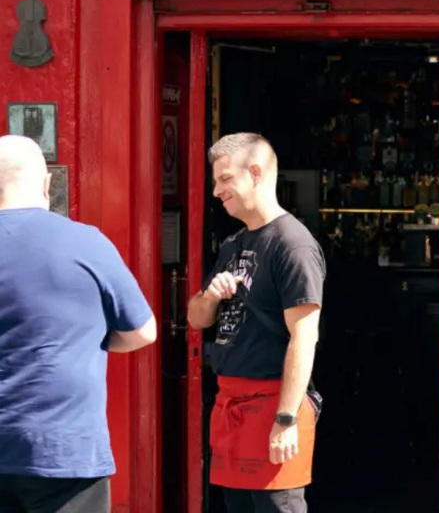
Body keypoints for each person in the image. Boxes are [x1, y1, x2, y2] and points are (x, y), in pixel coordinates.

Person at [0, 135, 157, 513]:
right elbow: (143, 331)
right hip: (64, 449)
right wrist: (89, 338)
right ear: (46, 184)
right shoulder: (86, 243)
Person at [187, 133, 325, 513]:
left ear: (255, 173)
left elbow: (304, 337)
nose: (216, 191)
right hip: (231, 408)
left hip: (272, 407)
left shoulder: (292, 245)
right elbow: (195, 318)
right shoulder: (234, 244)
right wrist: (211, 296)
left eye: (225, 179)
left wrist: (285, 418)